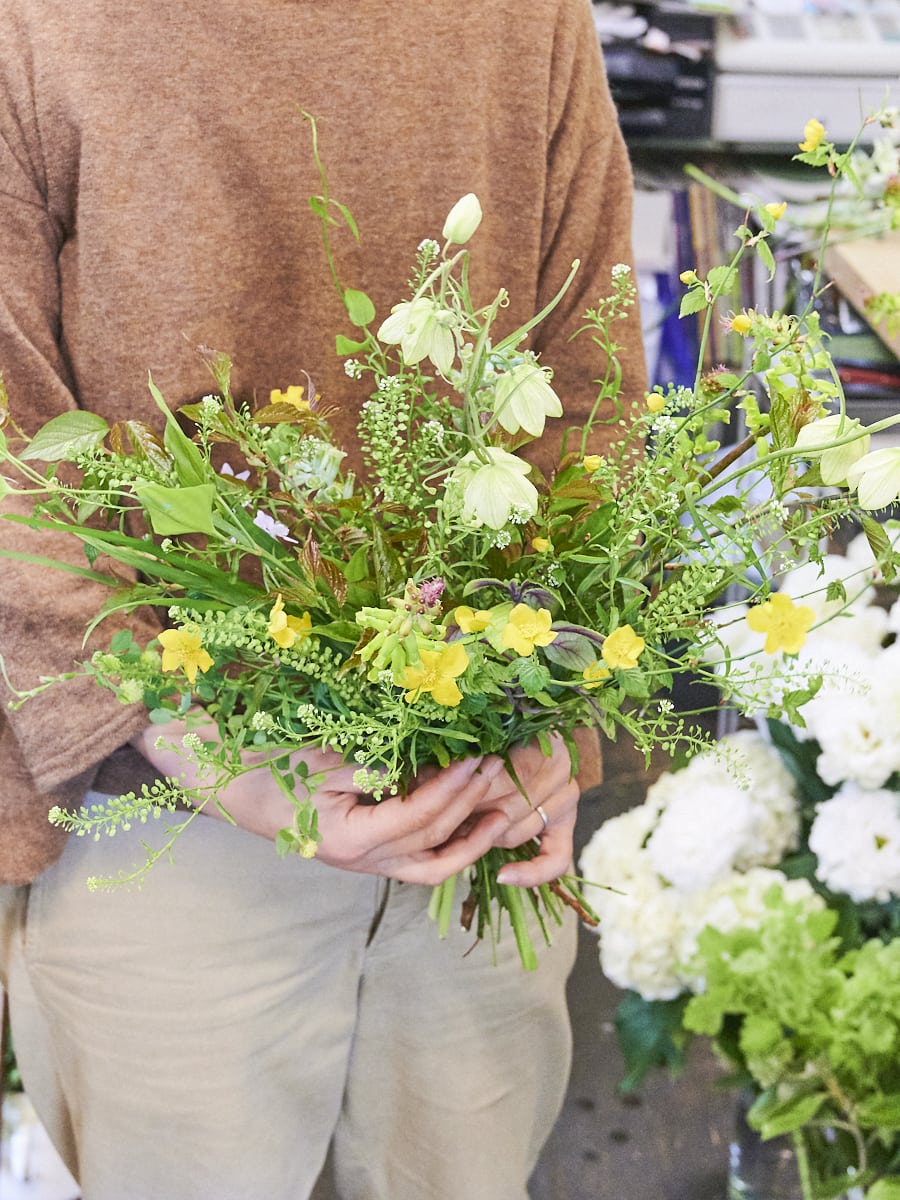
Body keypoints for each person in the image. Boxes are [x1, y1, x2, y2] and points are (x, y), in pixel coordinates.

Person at [0, 2, 647, 1197]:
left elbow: (592, 391)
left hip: (478, 800)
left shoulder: (528, 21)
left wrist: (555, 699)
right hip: (169, 820)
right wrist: (211, 751)